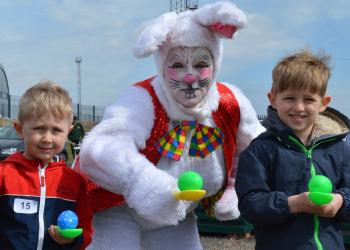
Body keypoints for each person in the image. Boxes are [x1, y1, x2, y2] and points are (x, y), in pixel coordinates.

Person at [79, 2, 264, 250]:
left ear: (215, 64)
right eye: (177, 65)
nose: (190, 77)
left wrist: (233, 187)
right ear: (161, 65)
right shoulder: (143, 99)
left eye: (201, 65)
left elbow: (259, 149)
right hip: (118, 210)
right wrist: (144, 182)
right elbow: (99, 149)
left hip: (176, 216)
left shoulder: (230, 103)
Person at [235, 49, 350, 250]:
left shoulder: (339, 148)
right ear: (273, 99)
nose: (299, 107)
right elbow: (249, 205)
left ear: (323, 103)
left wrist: (341, 200)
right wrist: (293, 204)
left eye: (308, 99)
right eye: (289, 98)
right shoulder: (259, 151)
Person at [0, 81, 93, 249]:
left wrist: (71, 240)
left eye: (56, 130)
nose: (47, 138)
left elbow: (85, 230)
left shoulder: (75, 182)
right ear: (20, 129)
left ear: (69, 132)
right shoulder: (4, 175)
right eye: (39, 129)